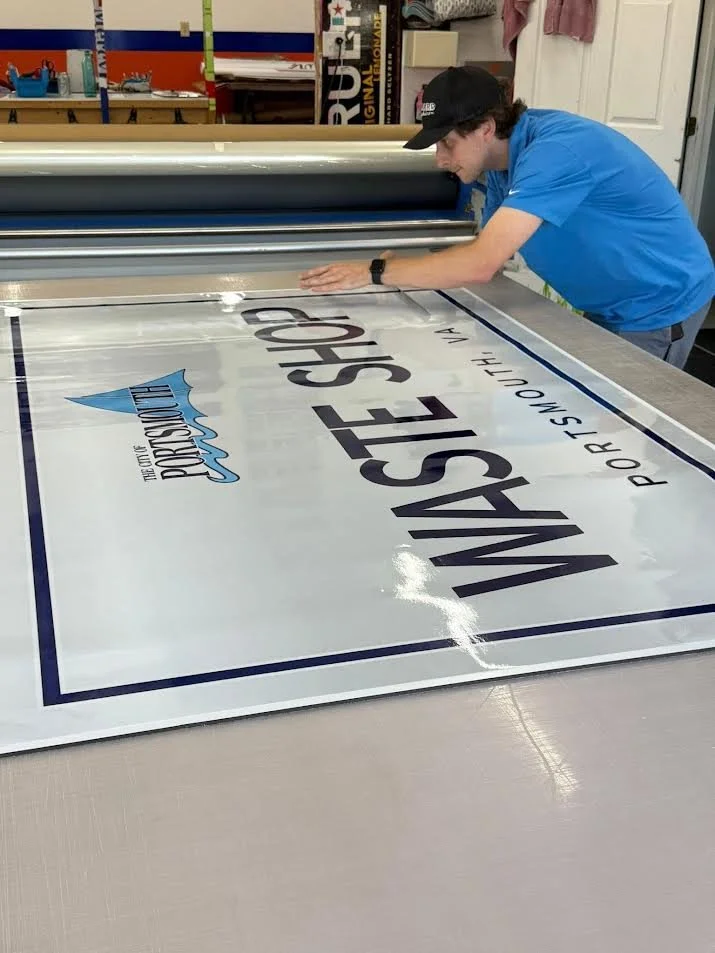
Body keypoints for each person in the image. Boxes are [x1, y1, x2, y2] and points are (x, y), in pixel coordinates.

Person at [299, 65, 715, 369]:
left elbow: (483, 264)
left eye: (447, 143)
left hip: (658, 303)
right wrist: (404, 270)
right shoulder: (501, 163)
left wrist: (376, 272)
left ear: (484, 127)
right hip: (609, 301)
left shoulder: (555, 154)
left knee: (625, 427)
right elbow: (488, 248)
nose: (440, 160)